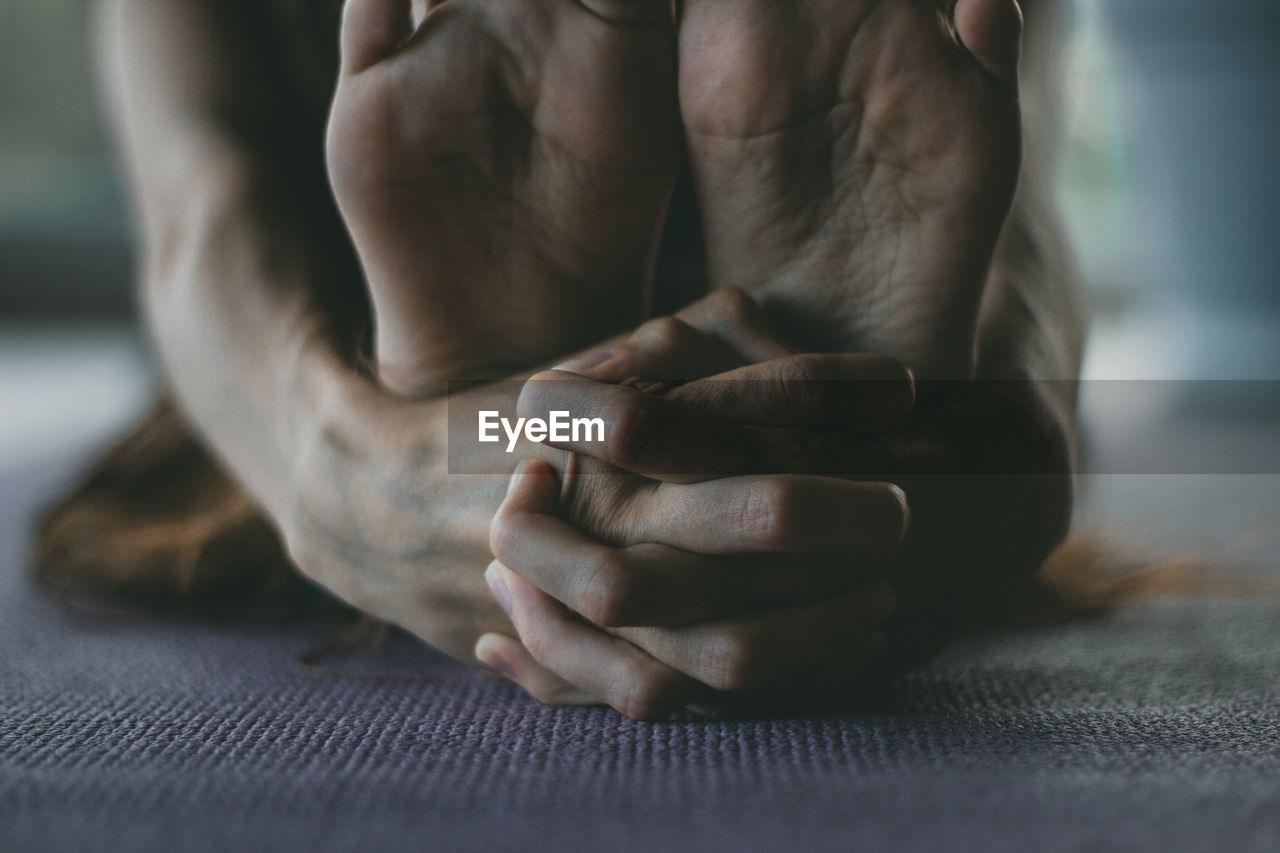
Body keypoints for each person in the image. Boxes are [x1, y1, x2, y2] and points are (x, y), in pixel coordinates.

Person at [38, 0, 1083, 719]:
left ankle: (544, 390)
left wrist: (1006, 451)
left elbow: (202, 219)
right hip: (340, 315)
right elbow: (203, 216)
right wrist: (334, 468)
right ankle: (795, 387)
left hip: (422, 354)